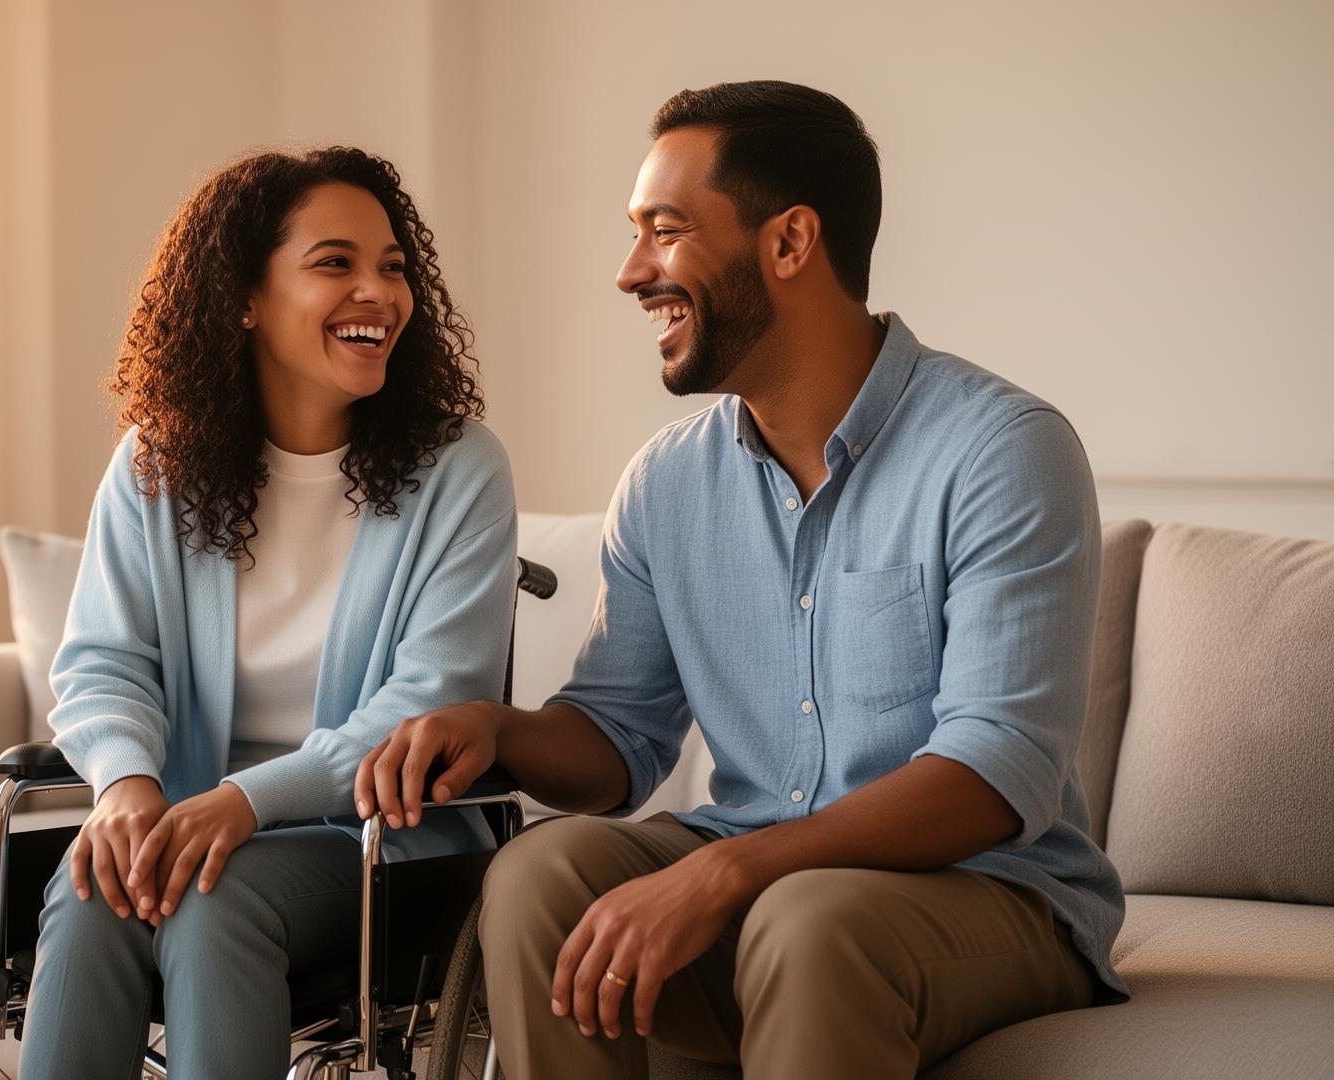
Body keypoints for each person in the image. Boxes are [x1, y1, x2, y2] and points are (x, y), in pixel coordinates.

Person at [356, 81, 1125, 1079]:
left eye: (665, 233)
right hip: (769, 887)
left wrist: (726, 871)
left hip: (988, 891)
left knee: (809, 920)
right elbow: (619, 740)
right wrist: (497, 730)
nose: (631, 272)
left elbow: (996, 774)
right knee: (543, 871)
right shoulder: (667, 482)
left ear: (791, 242)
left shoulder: (1001, 450)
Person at [16, 146, 518, 1080]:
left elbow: (428, 703)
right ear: (245, 296)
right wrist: (127, 787)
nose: (379, 291)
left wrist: (246, 803)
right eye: (336, 263)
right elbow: (102, 664)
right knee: (90, 890)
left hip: (380, 845)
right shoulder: (154, 466)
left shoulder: (460, 470)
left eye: (394, 267)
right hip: (188, 820)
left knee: (214, 896)